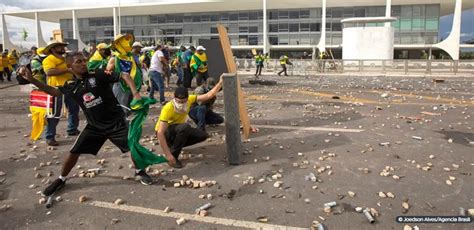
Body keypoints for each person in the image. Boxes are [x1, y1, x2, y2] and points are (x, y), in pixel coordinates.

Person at [18, 52, 155, 196]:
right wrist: (32, 80)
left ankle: (140, 171)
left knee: (132, 147)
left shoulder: (98, 74)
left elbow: (125, 76)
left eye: (84, 60)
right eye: (79, 61)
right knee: (73, 152)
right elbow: (53, 91)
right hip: (95, 127)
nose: (83, 63)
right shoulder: (70, 85)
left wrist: (136, 94)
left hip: (116, 123)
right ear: (70, 65)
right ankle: (61, 179)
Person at [155, 80, 223, 168]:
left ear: (187, 99)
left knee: (203, 135)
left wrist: (220, 82)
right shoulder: (168, 108)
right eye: (178, 101)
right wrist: (168, 155)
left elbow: (208, 95)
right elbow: (160, 132)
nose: (181, 104)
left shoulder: (190, 99)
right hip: (166, 133)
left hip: (178, 130)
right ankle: (173, 157)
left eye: (183, 101)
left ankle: (175, 145)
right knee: (185, 127)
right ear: (174, 98)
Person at [42, 40, 80, 146]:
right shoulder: (49, 59)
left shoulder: (64, 58)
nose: (63, 48)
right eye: (60, 46)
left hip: (69, 87)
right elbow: (49, 72)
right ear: (53, 49)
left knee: (74, 109)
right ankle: (50, 136)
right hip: (56, 89)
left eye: (63, 46)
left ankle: (72, 129)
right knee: (55, 113)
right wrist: (67, 70)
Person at [109, 34, 143, 115]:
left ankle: (124, 122)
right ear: (119, 44)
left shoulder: (129, 57)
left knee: (126, 107)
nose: (127, 43)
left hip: (129, 86)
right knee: (120, 107)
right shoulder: (114, 58)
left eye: (127, 41)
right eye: (124, 41)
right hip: (120, 85)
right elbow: (107, 72)